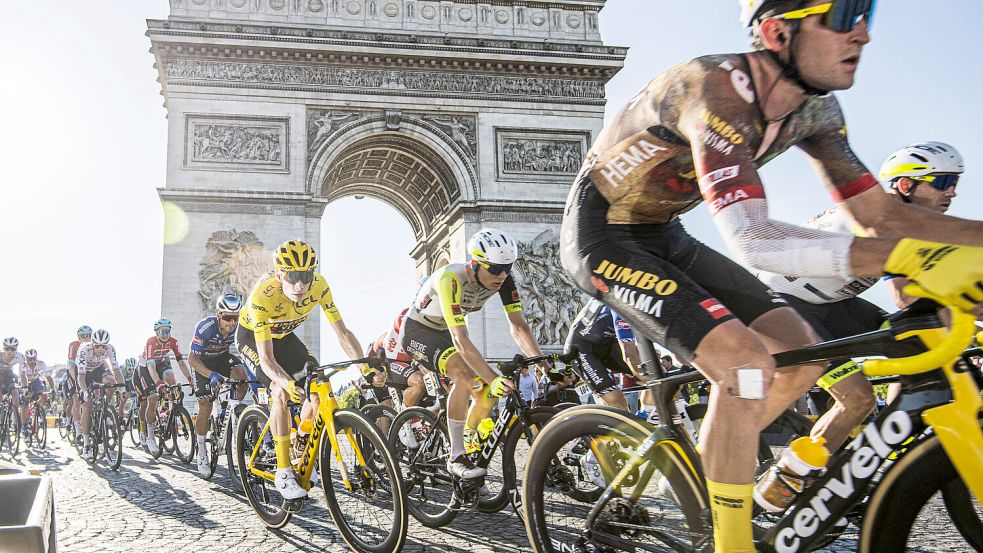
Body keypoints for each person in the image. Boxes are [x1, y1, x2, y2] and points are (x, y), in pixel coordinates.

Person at [558, 1, 983, 550]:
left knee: (799, 358)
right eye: (844, 15)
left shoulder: (818, 111)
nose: (863, 35)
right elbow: (752, 237)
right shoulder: (711, 87)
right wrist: (915, 258)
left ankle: (731, 472)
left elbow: (881, 216)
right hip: (602, 235)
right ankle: (731, 540)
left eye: (869, 14)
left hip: (667, 234)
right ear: (777, 30)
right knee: (744, 362)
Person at [402, 229, 548, 481]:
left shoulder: (505, 279)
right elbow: (460, 339)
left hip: (447, 330)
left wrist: (542, 362)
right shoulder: (450, 278)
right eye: (494, 269)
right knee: (466, 375)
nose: (502, 275)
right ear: (475, 263)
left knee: (485, 391)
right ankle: (456, 456)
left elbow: (518, 325)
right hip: (418, 331)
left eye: (507, 267)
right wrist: (494, 376)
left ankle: (468, 438)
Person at [236, 239, 369, 501]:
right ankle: (283, 471)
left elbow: (342, 333)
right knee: (280, 392)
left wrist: (364, 365)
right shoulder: (263, 296)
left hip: (285, 336)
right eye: (292, 276)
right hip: (254, 338)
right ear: (278, 274)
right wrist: (285, 382)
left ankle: (301, 442)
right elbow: (266, 358)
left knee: (319, 388)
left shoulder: (319, 286)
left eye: (305, 276)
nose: (299, 284)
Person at [189, 293, 250, 477]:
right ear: (218, 315)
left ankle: (229, 409)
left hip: (222, 357)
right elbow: (192, 359)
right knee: (205, 404)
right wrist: (211, 375)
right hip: (202, 363)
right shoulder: (205, 327)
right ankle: (201, 451)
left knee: (243, 379)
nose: (232, 323)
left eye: (236, 318)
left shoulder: (239, 326)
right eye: (228, 318)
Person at [564, 298, 652, 411]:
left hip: (606, 343)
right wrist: (647, 377)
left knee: (658, 371)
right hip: (580, 348)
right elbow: (628, 354)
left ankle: (649, 415)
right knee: (617, 402)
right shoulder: (622, 302)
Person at [135, 318, 192, 456]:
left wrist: (189, 378)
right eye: (162, 331)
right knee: (152, 398)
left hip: (161, 364)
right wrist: (158, 383)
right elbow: (150, 366)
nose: (165, 334)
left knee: (172, 379)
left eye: (167, 331)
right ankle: (149, 436)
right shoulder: (151, 342)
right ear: (157, 332)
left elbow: (181, 362)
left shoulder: (173, 342)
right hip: (145, 369)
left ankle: (173, 411)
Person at [76, 330, 119, 461]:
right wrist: (84, 392)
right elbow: (81, 377)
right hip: (84, 374)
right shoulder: (84, 349)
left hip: (98, 369)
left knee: (111, 382)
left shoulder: (110, 349)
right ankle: (86, 444)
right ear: (92, 344)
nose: (101, 349)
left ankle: (105, 409)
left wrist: (122, 389)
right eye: (97, 346)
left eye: (104, 346)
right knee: (87, 406)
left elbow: (116, 371)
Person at [65, 325, 92, 441]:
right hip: (74, 373)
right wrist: (76, 381)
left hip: (87, 373)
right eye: (83, 336)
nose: (86, 338)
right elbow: (71, 366)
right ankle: (78, 430)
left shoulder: (93, 346)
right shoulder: (74, 345)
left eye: (88, 336)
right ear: (78, 337)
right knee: (76, 399)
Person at [19, 349, 50, 436]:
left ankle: (38, 412)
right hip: (24, 381)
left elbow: (48, 377)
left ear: (36, 358)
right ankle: (24, 427)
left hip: (35, 380)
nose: (32, 361)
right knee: (25, 403)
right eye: (29, 359)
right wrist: (26, 391)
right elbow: (23, 378)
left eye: (34, 359)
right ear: (26, 359)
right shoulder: (23, 365)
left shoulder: (41, 363)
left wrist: (52, 388)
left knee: (44, 394)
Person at [0, 338, 25, 428]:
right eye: (7, 348)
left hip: (9, 374)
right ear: (3, 349)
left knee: (15, 391)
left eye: (13, 349)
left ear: (16, 350)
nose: (10, 351)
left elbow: (22, 374)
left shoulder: (20, 356)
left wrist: (25, 386)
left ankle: (15, 416)